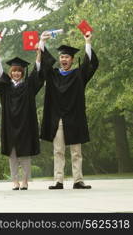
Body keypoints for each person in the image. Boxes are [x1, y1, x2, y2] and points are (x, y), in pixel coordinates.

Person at [39, 31, 98, 189]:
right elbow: (44, 65)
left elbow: (90, 64)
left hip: (74, 117)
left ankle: (78, 180)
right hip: (58, 118)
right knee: (58, 150)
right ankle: (58, 180)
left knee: (76, 152)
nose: (63, 59)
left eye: (66, 57)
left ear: (72, 60)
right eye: (62, 57)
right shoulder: (54, 75)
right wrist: (42, 43)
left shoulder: (79, 75)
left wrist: (87, 42)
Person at [0, 40, 44, 190]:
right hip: (10, 123)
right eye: (14, 71)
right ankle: (14, 181)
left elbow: (37, 71)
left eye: (19, 71)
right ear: (11, 72)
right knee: (13, 154)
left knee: (25, 154)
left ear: (22, 73)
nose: (16, 73)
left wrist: (39, 54)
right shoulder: (6, 86)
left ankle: (25, 180)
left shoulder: (28, 85)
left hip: (25, 124)